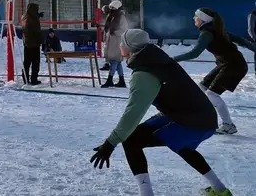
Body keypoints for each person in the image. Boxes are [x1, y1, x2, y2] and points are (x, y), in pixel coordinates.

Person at [90, 29, 232, 196]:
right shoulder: (156, 57)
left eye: (123, 42)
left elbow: (133, 113)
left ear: (129, 48)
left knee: (131, 139)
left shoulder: (144, 73)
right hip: (203, 117)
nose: (120, 44)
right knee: (182, 146)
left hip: (192, 121)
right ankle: (220, 190)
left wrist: (110, 143)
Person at [172, 8, 256, 135]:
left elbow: (194, 53)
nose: (194, 19)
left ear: (203, 19)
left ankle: (228, 125)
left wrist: (173, 59)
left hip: (234, 66)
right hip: (227, 64)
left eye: (196, 17)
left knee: (212, 94)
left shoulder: (207, 33)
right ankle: (203, 115)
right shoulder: (216, 29)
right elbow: (241, 40)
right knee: (202, 86)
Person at [102, 0, 128, 88]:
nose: (112, 10)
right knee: (117, 62)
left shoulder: (121, 17)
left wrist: (115, 32)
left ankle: (110, 80)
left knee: (114, 61)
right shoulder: (111, 16)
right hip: (110, 41)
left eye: (113, 9)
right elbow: (107, 28)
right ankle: (122, 81)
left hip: (117, 42)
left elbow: (124, 30)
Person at [20, 3, 42, 85]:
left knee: (27, 62)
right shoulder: (34, 20)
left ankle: (25, 78)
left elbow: (29, 24)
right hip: (34, 44)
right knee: (35, 63)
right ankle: (34, 79)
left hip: (27, 43)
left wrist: (37, 16)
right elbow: (37, 32)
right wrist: (42, 42)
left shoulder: (24, 17)